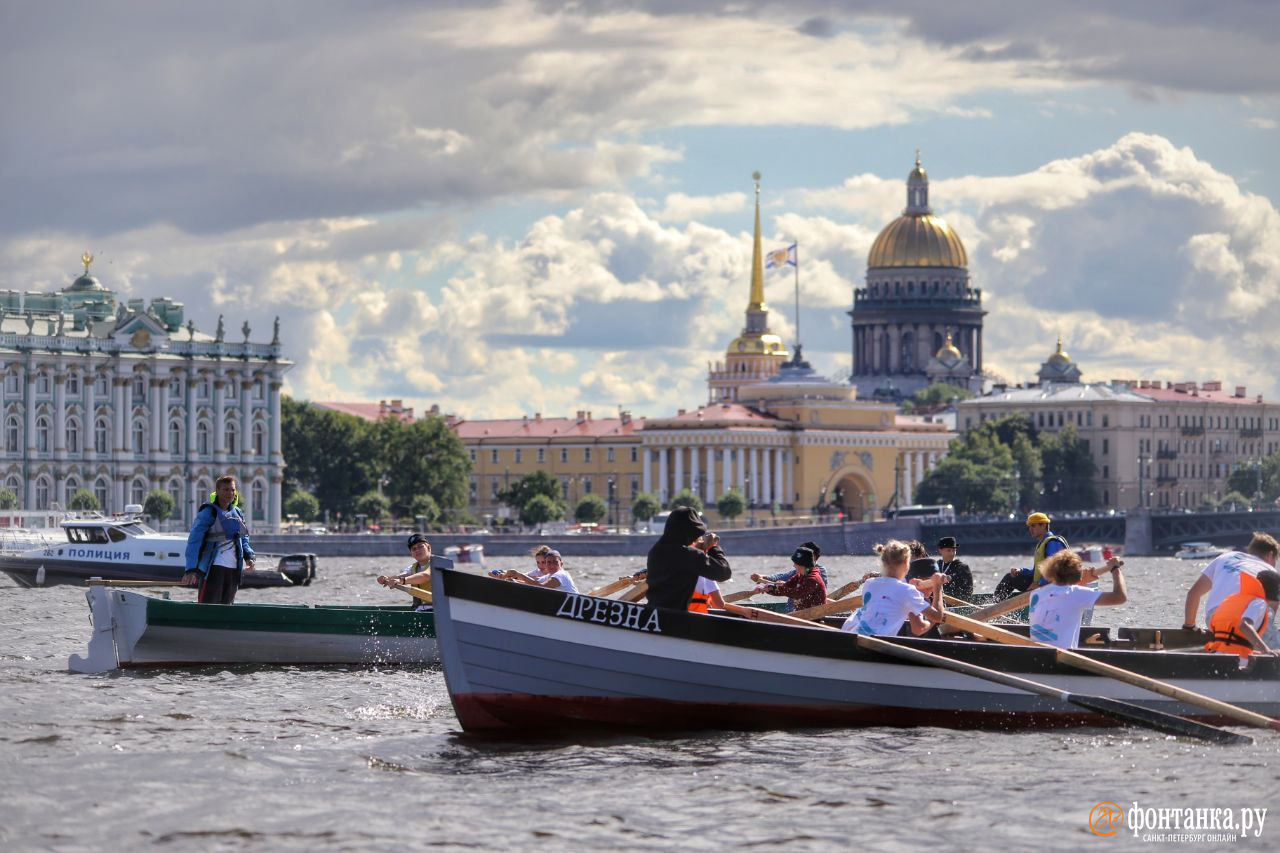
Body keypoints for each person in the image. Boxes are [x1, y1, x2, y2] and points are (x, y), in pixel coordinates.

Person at [1183, 533, 1279, 637]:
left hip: (1214, 620)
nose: (1275, 564)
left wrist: (1189, 626)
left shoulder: (1226, 557)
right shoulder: (1271, 572)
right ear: (1270, 555)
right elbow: (1269, 615)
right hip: (1246, 624)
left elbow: (1193, 593)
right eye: (1276, 560)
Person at [841, 540, 943, 637]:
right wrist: (937, 586)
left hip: (853, 635)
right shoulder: (908, 590)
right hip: (875, 644)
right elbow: (934, 619)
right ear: (906, 566)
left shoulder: (870, 583)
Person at [1028, 551, 1126, 650]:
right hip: (1062, 660)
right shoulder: (1076, 593)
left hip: (1037, 655)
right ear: (1077, 573)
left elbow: (1063, 596)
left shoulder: (1035, 594)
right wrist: (1115, 569)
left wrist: (1081, 581)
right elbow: (1120, 597)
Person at [182, 475, 255, 604]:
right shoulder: (208, 512)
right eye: (225, 490)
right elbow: (194, 541)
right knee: (208, 608)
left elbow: (243, 539)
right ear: (217, 491)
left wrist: (249, 556)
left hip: (233, 569)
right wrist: (190, 569)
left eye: (232, 490)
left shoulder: (237, 513)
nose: (230, 493)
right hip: (213, 569)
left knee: (227, 608)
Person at [645, 506, 731, 611]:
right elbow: (724, 573)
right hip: (676, 619)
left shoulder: (656, 551)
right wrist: (713, 547)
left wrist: (696, 550)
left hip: (653, 613)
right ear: (688, 532)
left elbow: (679, 560)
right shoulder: (688, 555)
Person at [1205, 569, 1280, 658]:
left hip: (1218, 653)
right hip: (1236, 659)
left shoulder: (1234, 598)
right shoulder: (1260, 603)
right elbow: (1244, 625)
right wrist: (1266, 650)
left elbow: (1233, 642)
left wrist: (1259, 653)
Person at [994, 511, 1069, 599]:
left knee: (1010, 579)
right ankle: (995, 604)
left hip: (1053, 589)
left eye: (1033, 526)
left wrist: (1039, 584)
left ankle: (994, 608)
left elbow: (1055, 570)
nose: (1030, 529)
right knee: (1011, 577)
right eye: (1029, 526)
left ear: (1044, 525)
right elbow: (1035, 572)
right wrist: (1021, 570)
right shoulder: (1042, 544)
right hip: (1043, 585)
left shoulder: (1053, 542)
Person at [757, 547, 827, 612]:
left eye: (795, 563)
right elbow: (786, 587)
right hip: (803, 614)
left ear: (803, 565)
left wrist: (780, 588)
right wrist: (769, 588)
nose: (793, 565)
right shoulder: (800, 575)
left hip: (815, 616)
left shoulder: (813, 579)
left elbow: (797, 594)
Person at [377, 533, 434, 610]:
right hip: (419, 610)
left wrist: (402, 581)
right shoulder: (412, 568)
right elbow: (401, 576)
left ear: (429, 548)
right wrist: (387, 579)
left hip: (438, 611)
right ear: (411, 554)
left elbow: (425, 576)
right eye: (414, 549)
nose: (417, 550)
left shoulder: (438, 563)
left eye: (420, 546)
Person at [496, 549, 579, 593]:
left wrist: (518, 574)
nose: (552, 565)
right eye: (549, 562)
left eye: (555, 562)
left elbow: (540, 586)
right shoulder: (549, 576)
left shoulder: (561, 574)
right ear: (546, 565)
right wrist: (514, 581)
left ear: (561, 564)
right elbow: (535, 581)